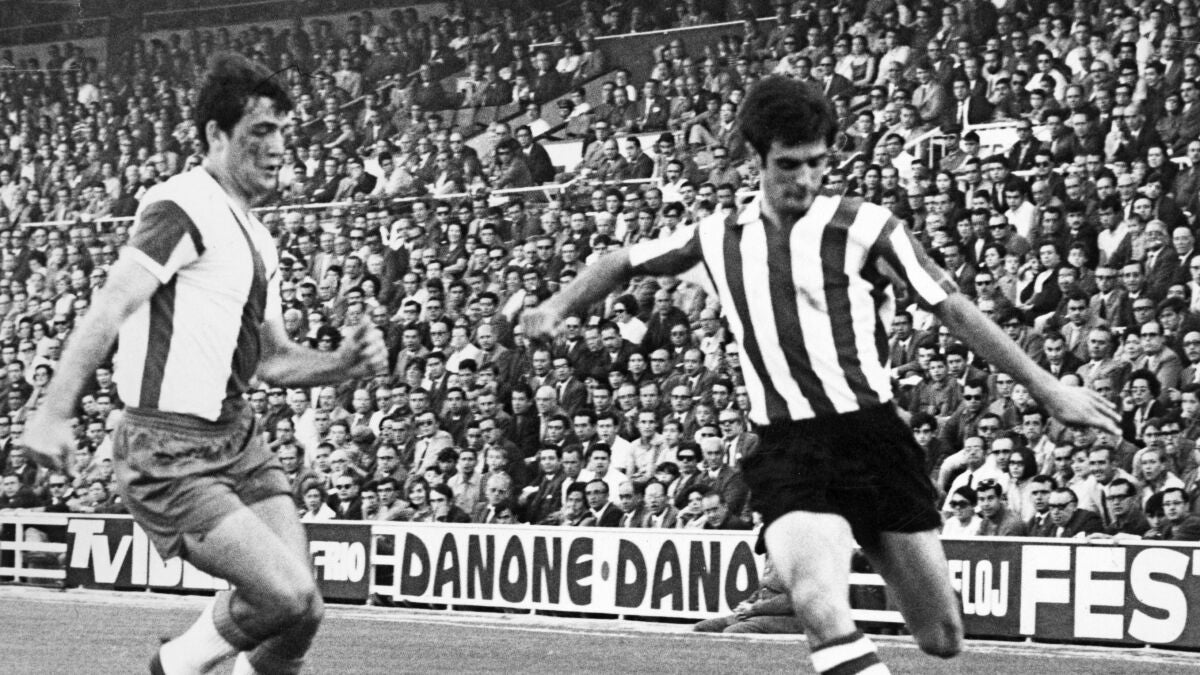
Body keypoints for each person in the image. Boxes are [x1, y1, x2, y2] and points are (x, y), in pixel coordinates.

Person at [522, 75, 1120, 674]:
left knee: (941, 636)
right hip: (789, 447)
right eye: (789, 164)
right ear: (756, 157)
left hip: (873, 438)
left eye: (817, 163)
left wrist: (1046, 386)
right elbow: (619, 261)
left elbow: (953, 307)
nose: (805, 180)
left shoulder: (867, 227)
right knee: (816, 604)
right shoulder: (716, 238)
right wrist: (555, 306)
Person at [22, 53, 387, 675]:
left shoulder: (260, 240)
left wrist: (343, 363)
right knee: (282, 595)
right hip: (167, 447)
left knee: (305, 611)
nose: (277, 147)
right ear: (216, 135)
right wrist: (53, 412)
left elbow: (274, 361)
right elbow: (111, 303)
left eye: (282, 131)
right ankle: (175, 665)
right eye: (260, 131)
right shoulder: (182, 204)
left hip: (237, 438)